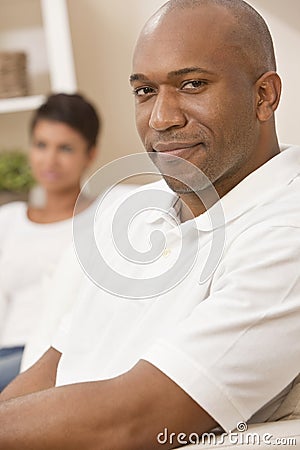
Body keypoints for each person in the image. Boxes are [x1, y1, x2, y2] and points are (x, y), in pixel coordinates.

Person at [0, 1, 300, 449]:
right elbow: (51, 369)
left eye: (193, 84)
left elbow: (135, 422)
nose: (162, 118)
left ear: (264, 96)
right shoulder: (136, 211)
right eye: (144, 91)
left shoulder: (285, 231)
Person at [0, 93, 100, 391]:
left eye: (65, 148)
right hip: (9, 353)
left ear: (90, 154)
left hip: (62, 355)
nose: (50, 160)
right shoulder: (8, 220)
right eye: (41, 145)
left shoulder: (104, 217)